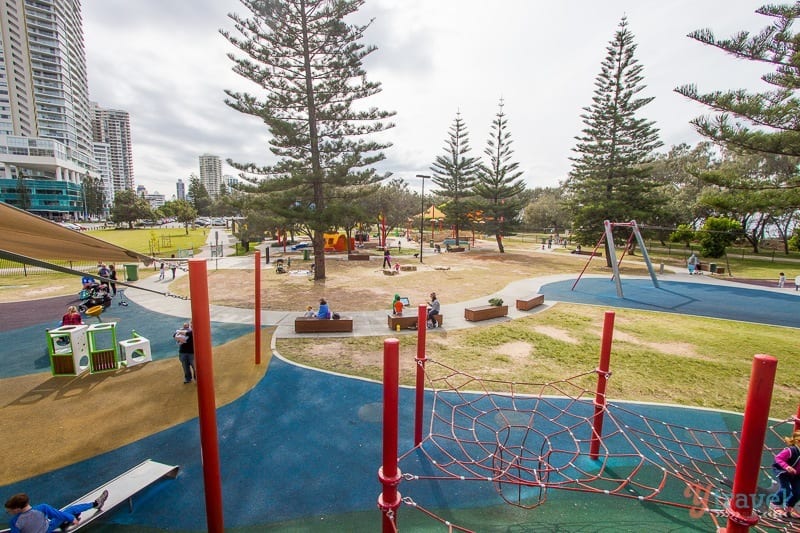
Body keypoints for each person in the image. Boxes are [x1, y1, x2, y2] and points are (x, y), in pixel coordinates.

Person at [5, 490, 108, 533]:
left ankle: (66, 522)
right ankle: (95, 504)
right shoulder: (42, 508)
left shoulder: (15, 521)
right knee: (70, 510)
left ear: (17, 509)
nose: (9, 513)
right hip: (48, 528)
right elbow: (58, 514)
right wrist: (71, 518)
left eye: (9, 511)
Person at [769, 430, 800, 518]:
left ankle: (789, 506)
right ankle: (775, 504)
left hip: (796, 474)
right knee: (786, 489)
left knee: (798, 492)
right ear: (798, 442)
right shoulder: (790, 450)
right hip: (784, 471)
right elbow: (778, 458)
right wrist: (786, 467)